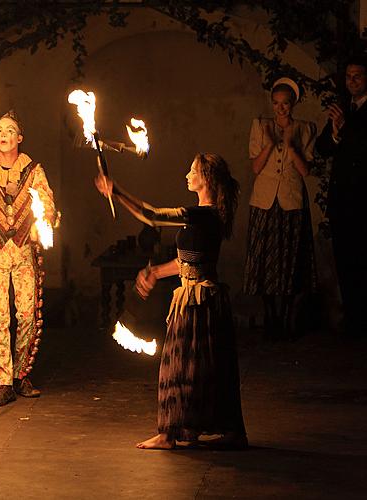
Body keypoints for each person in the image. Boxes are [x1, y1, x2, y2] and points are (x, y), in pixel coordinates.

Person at [95, 153, 247, 450]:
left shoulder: (206, 214)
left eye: (193, 170)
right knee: (201, 368)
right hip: (192, 298)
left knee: (180, 366)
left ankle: (171, 434)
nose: (187, 174)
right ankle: (203, 431)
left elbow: (152, 215)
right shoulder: (203, 218)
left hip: (200, 302)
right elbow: (187, 261)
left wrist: (117, 191)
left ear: (207, 179)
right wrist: (155, 272)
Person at [0, 110, 56, 407]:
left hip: (24, 250)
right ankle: (4, 382)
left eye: (9, 130)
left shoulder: (33, 169)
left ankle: (21, 375)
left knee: (28, 314)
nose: (3, 134)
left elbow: (47, 204)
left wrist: (46, 218)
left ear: (19, 137)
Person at [243, 77, 317, 340]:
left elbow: (305, 169)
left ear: (293, 104)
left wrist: (290, 142)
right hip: (264, 201)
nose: (280, 109)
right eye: (276, 104)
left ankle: (286, 317)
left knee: (289, 261)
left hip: (291, 201)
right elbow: (255, 167)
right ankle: (270, 316)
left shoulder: (306, 129)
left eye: (285, 104)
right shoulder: (261, 126)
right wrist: (272, 142)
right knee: (265, 261)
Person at [315, 54, 367, 337]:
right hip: (342, 199)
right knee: (345, 259)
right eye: (348, 77)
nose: (352, 81)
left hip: (363, 199)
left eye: (358, 76)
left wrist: (345, 128)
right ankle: (353, 319)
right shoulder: (343, 108)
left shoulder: (356, 114)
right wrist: (334, 133)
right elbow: (323, 147)